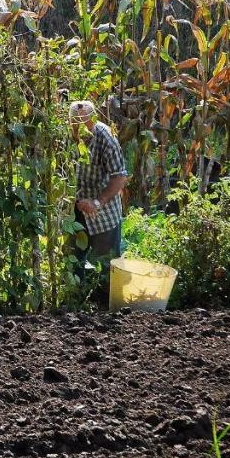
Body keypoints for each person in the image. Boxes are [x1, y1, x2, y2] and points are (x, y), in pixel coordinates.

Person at [70, 100, 129, 307]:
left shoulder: (106, 137)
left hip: (102, 211)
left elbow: (120, 176)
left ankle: (108, 309)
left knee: (106, 265)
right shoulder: (63, 136)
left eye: (84, 126)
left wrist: (97, 201)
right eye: (75, 126)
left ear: (93, 121)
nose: (80, 132)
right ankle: (76, 304)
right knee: (71, 261)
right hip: (73, 211)